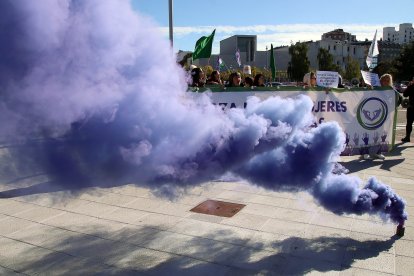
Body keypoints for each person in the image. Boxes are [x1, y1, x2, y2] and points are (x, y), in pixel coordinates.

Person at [401, 77, 414, 143]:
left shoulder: (411, 86)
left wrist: (408, 86)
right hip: (411, 108)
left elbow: (405, 94)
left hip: (411, 108)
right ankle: (407, 137)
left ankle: (407, 137)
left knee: (409, 123)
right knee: (409, 123)